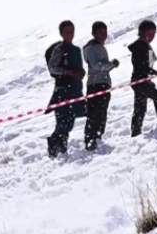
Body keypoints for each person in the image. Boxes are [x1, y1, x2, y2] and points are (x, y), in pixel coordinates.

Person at [45, 20, 86, 159]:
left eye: (72, 31)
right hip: (62, 91)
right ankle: (55, 148)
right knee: (63, 122)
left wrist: (81, 73)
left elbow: (79, 68)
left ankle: (61, 149)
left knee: (69, 121)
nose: (70, 34)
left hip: (75, 90)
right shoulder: (59, 49)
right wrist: (68, 72)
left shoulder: (76, 50)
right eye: (67, 31)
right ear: (61, 34)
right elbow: (52, 68)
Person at [129, 20, 157, 135]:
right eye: (150, 33)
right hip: (140, 80)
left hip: (139, 80)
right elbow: (141, 66)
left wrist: (152, 72)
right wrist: (153, 71)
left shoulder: (142, 45)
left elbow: (144, 66)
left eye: (154, 34)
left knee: (140, 108)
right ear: (142, 32)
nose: (152, 36)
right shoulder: (140, 46)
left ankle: (135, 131)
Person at [82, 21, 119, 150]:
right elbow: (97, 66)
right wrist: (111, 65)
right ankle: (91, 139)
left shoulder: (97, 47)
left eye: (105, 32)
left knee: (101, 112)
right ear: (94, 33)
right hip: (96, 84)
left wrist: (110, 65)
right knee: (95, 113)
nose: (104, 35)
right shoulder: (93, 48)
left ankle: (96, 137)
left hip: (101, 83)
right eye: (100, 32)